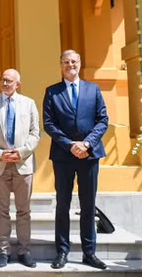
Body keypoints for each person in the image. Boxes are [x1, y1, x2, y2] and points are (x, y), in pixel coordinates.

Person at [43, 50, 109, 270]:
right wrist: (71, 145)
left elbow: (102, 120)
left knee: (88, 205)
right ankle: (62, 251)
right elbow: (49, 124)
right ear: (60, 65)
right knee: (63, 205)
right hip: (63, 156)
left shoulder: (94, 89)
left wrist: (87, 144)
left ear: (80, 64)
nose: (70, 65)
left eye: (73, 61)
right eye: (65, 62)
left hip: (90, 155)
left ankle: (89, 252)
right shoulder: (52, 92)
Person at [0, 68, 40, 268]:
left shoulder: (29, 103)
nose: (5, 83)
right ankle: (3, 251)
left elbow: (35, 133)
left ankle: (24, 250)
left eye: (9, 81)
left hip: (23, 164)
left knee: (24, 210)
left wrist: (22, 151)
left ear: (18, 84)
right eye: (3, 80)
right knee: (2, 209)